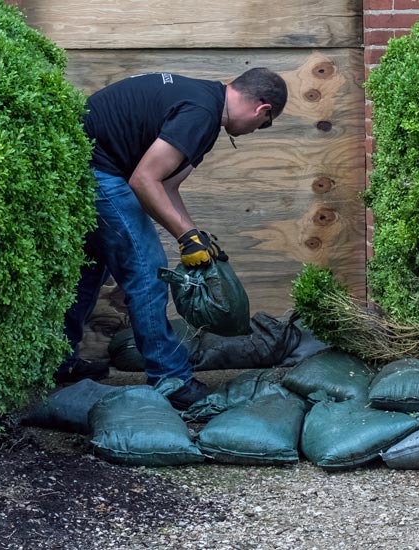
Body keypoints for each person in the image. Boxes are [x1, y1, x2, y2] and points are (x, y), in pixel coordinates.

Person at [55, 68, 288, 410]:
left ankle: (58, 360)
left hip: (87, 162)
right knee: (148, 272)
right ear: (262, 110)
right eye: (264, 125)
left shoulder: (204, 104)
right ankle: (170, 377)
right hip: (97, 168)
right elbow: (143, 180)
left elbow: (166, 186)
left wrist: (194, 237)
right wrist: (184, 237)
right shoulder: (202, 113)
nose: (256, 131)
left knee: (92, 271)